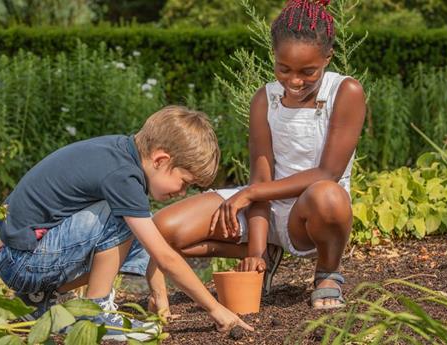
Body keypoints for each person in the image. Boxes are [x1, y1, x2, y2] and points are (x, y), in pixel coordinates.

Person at [151, 0, 366, 310]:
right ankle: (266, 257)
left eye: (308, 71)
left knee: (328, 195)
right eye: (283, 68)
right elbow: (261, 179)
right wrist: (255, 250)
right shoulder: (265, 100)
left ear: (328, 58)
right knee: (164, 228)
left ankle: (327, 274)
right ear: (273, 57)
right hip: (263, 206)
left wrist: (250, 193)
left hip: (310, 214)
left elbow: (327, 173)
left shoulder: (345, 92)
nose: (294, 81)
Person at [0, 106, 253, 342]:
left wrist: (160, 300)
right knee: (123, 220)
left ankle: (37, 300)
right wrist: (216, 309)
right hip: (23, 261)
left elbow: (154, 248)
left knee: (140, 230)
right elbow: (165, 257)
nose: (183, 192)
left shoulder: (121, 154)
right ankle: (94, 312)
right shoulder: (122, 176)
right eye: (184, 182)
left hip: (21, 256)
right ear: (161, 160)